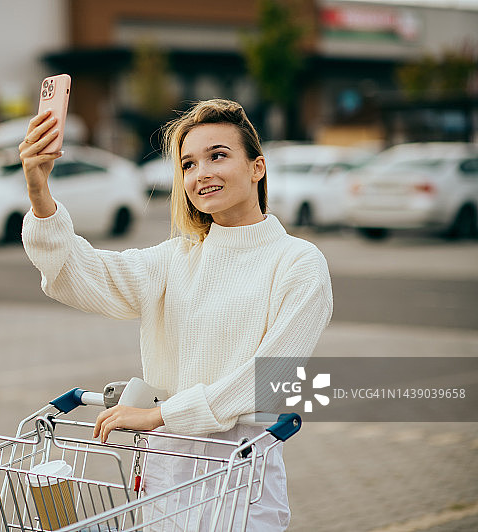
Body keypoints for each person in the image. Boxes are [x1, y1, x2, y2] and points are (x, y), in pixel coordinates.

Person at [18, 98, 333, 530]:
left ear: (257, 167)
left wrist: (159, 415)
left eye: (217, 156)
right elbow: (82, 275)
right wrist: (39, 192)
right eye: (188, 164)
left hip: (240, 479)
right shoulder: (176, 258)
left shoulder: (297, 262)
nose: (201, 174)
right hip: (167, 476)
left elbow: (268, 378)